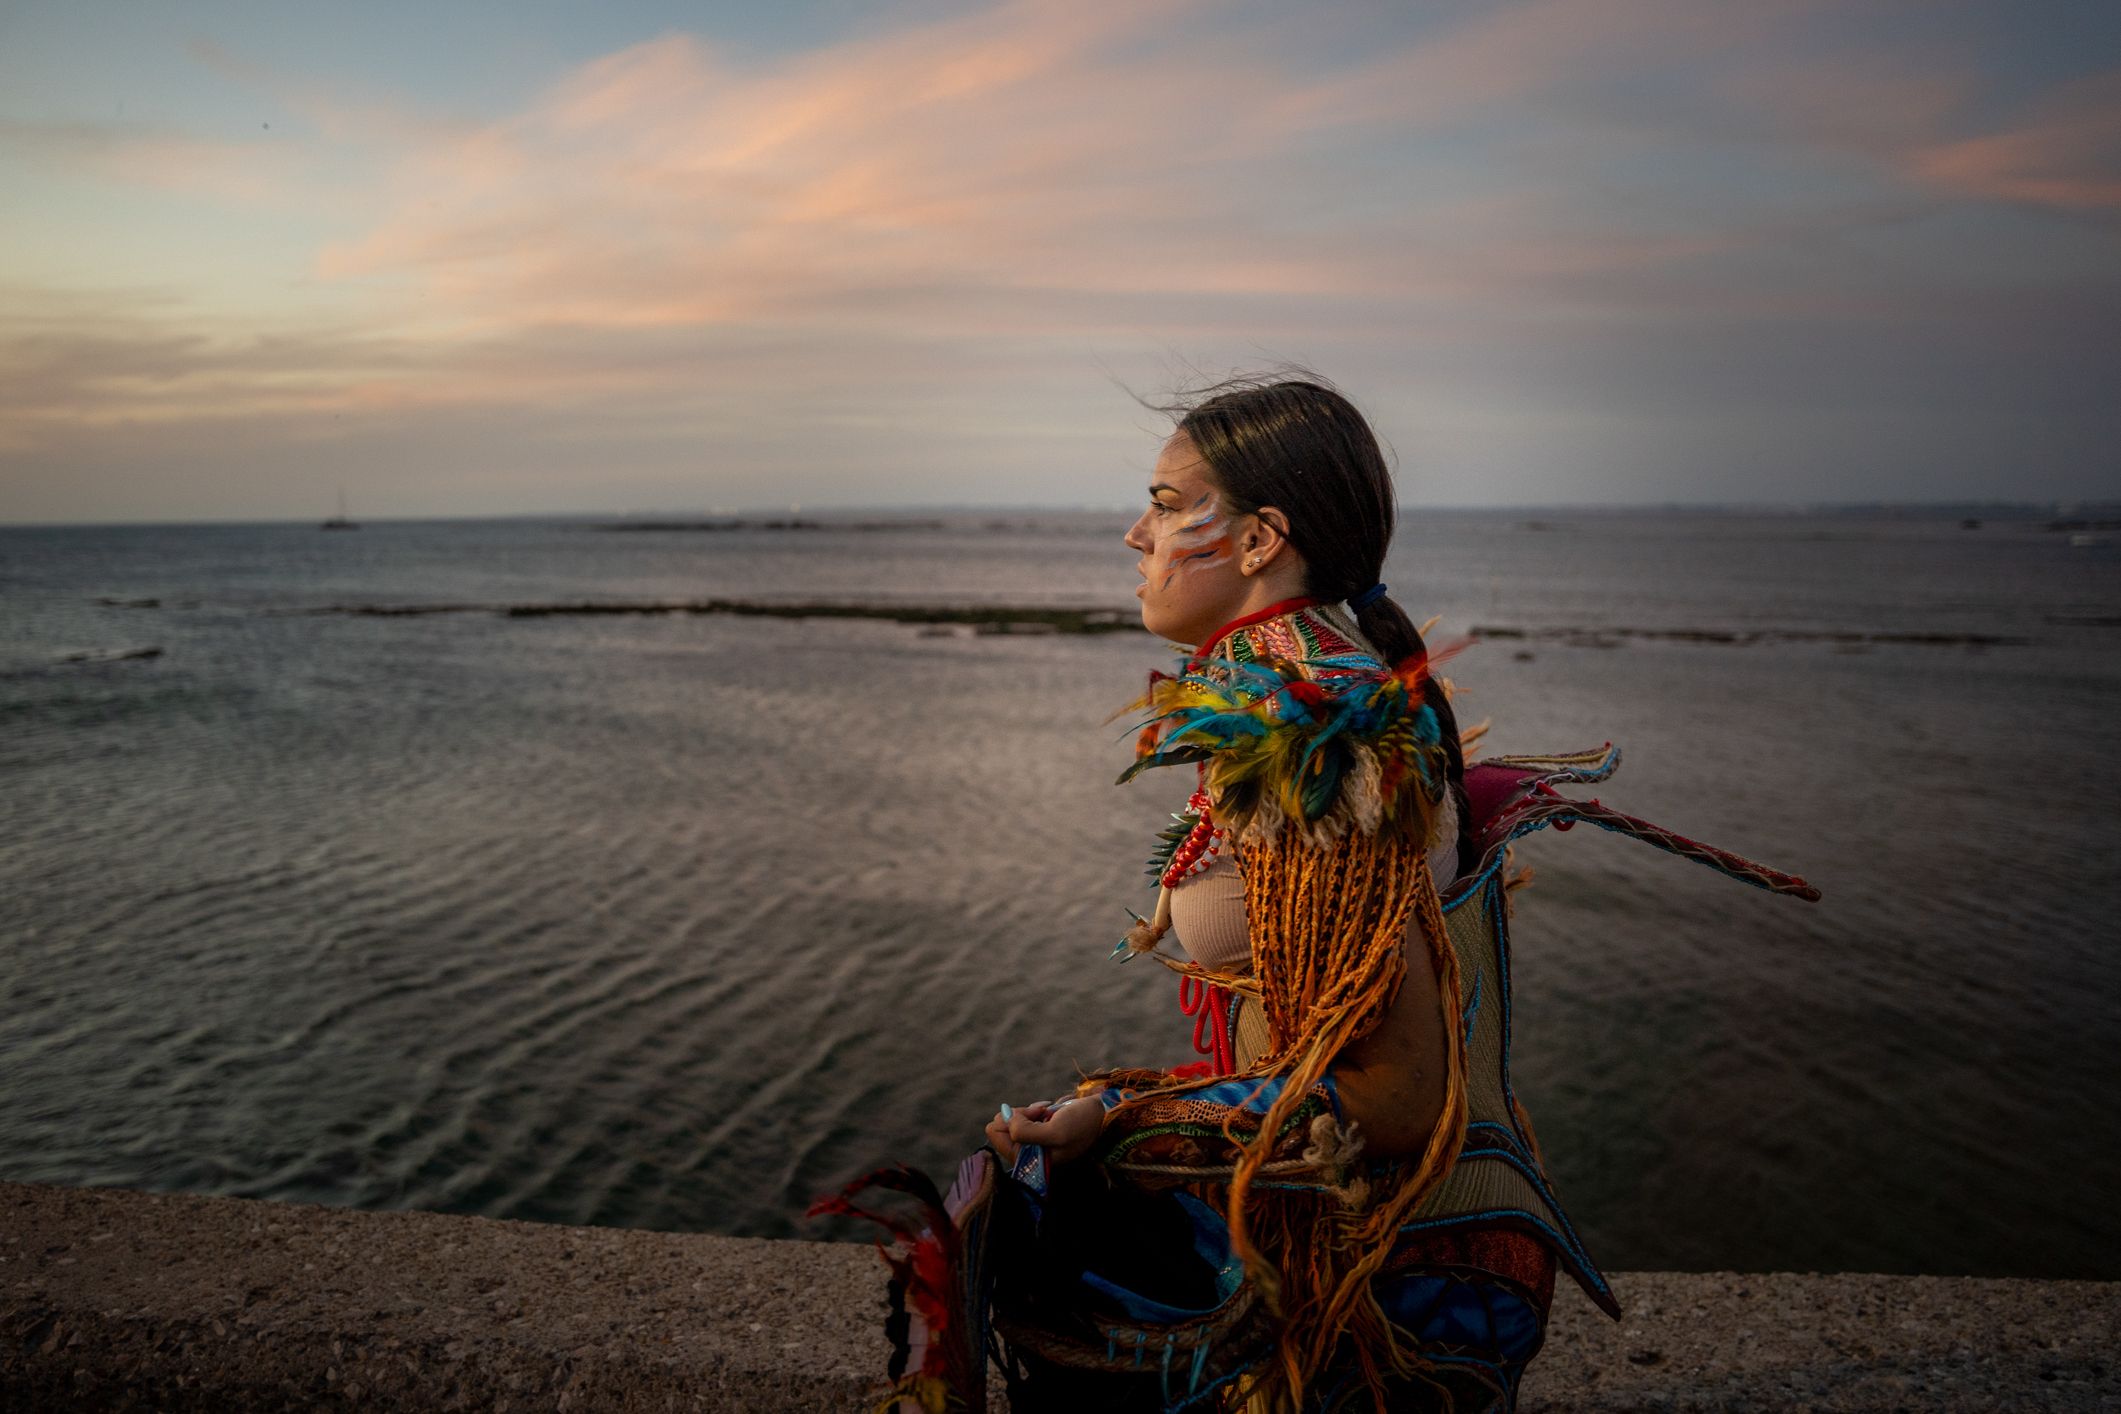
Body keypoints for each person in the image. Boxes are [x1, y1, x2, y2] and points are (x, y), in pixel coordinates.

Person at [813, 371, 1820, 1413]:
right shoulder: (1312, 688)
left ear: (1258, 541)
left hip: (1397, 1289)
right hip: (1375, 1234)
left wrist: (1121, 1115)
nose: (1133, 535)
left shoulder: (1314, 734)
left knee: (1016, 1220)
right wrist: (1112, 1116)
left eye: (1162, 504)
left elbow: (1394, 1097)